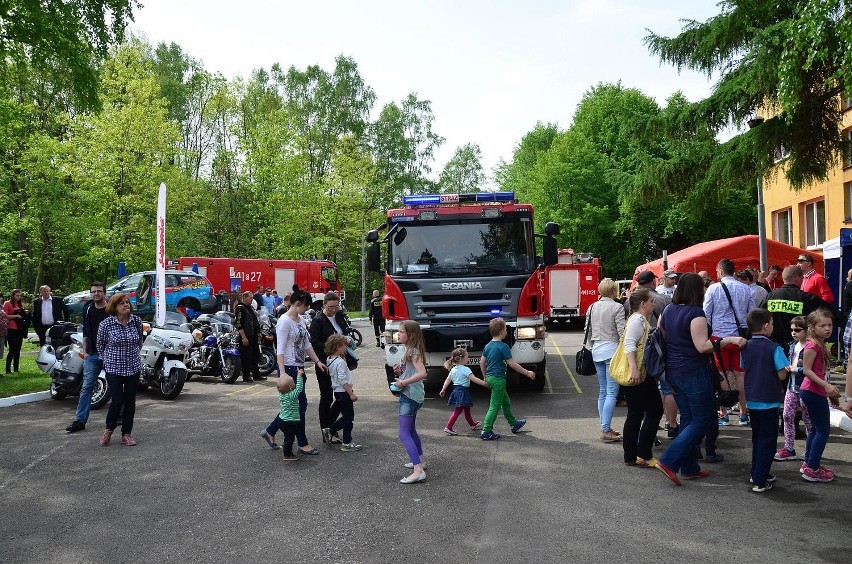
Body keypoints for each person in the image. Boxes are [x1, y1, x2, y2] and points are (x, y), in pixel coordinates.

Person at [655, 273, 746, 486]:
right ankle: (669, 460)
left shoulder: (668, 310)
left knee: (688, 418)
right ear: (697, 290)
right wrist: (729, 340)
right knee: (702, 419)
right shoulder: (696, 313)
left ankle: (689, 467)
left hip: (673, 370)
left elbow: (662, 335)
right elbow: (702, 346)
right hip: (693, 371)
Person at [261, 289, 326, 455]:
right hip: (289, 368)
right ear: (297, 304)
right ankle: (302, 442)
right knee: (299, 405)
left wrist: (317, 361)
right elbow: (280, 349)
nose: (306, 310)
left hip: (299, 367)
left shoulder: (301, 320)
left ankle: (270, 431)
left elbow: (306, 345)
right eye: (305, 306)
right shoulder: (284, 322)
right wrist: (282, 372)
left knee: (296, 406)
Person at [740, 308, 788, 492]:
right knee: (768, 440)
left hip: (752, 398)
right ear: (767, 325)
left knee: (757, 438)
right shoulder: (774, 347)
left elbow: (744, 367)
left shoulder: (746, 347)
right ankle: (760, 479)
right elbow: (782, 375)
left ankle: (758, 471)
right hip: (769, 398)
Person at [704, 258, 755, 426]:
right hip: (740, 338)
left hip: (719, 339)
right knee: (741, 375)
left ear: (719, 270)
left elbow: (706, 314)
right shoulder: (746, 289)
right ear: (733, 271)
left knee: (721, 374)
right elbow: (752, 314)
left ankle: (723, 413)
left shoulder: (713, 289)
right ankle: (743, 413)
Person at [621, 289, 664, 468]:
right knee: (654, 410)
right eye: (651, 301)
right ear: (643, 304)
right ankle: (643, 453)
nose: (654, 304)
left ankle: (631, 455)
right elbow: (629, 343)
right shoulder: (638, 320)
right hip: (638, 372)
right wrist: (634, 369)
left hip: (638, 371)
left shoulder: (639, 320)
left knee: (636, 413)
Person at [798, 309, 842, 482]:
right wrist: (826, 386)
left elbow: (820, 372)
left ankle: (810, 463)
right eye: (822, 325)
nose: (827, 328)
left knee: (816, 429)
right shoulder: (813, 346)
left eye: (829, 325)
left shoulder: (820, 344)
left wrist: (828, 390)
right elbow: (807, 371)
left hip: (815, 391)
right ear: (812, 327)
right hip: (811, 391)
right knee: (823, 430)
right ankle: (812, 468)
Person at [97, 294, 144, 446]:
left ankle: (126, 434)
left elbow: (139, 342)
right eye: (122, 303)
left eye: (127, 303)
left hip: (133, 367)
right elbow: (100, 345)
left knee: (130, 401)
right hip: (114, 367)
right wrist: (107, 360)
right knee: (117, 400)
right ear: (114, 306)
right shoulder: (106, 324)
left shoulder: (136, 321)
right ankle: (109, 430)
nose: (126, 305)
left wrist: (132, 355)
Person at [478, 317, 536, 440]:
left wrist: (485, 377)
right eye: (505, 329)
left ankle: (514, 424)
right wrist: (527, 372)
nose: (506, 331)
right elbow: (512, 364)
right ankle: (486, 430)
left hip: (491, 378)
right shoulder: (503, 347)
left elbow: (481, 363)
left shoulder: (488, 346)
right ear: (501, 332)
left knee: (506, 402)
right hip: (499, 380)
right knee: (494, 406)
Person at [584, 278, 626, 442]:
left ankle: (604, 425)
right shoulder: (617, 307)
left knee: (603, 391)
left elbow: (588, 330)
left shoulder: (592, 307)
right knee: (611, 393)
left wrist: (591, 346)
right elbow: (622, 332)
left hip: (596, 351)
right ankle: (605, 428)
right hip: (612, 351)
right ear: (613, 291)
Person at [65, 282, 109, 433]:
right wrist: (86, 352)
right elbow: (85, 332)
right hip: (92, 354)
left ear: (104, 293)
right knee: (86, 387)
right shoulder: (88, 308)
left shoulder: (111, 308)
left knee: (117, 386)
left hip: (110, 355)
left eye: (99, 291)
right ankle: (80, 420)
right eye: (93, 291)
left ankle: (120, 416)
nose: (96, 294)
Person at [309, 292, 353, 441]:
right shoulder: (318, 320)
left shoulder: (339, 316)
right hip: (325, 363)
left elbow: (345, 331)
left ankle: (330, 425)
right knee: (326, 397)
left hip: (341, 361)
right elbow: (314, 342)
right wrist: (332, 347)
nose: (334, 310)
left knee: (342, 395)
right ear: (324, 305)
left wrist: (347, 339)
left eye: (336, 306)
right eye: (331, 307)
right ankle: (326, 430)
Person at [759, 265, 834, 349]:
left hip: (776, 345)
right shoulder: (806, 297)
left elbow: (758, 316)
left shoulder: (770, 296)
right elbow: (830, 312)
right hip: (799, 346)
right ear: (797, 278)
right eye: (802, 277)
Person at [393, 320, 429, 484]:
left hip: (410, 396)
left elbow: (422, 373)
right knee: (411, 431)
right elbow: (412, 371)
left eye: (401, 332)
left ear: (411, 335)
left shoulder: (413, 351)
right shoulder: (409, 350)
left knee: (403, 433)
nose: (398, 334)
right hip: (413, 395)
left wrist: (403, 383)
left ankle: (418, 471)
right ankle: (420, 462)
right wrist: (399, 371)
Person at [774, 316, 812, 461]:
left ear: (807, 330)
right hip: (792, 387)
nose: (794, 333)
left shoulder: (810, 347)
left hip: (806, 388)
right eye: (792, 330)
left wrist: (796, 369)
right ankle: (789, 448)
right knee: (787, 416)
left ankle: (810, 450)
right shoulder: (792, 345)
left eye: (797, 330)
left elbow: (812, 369)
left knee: (808, 420)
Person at [324, 334, 362, 451]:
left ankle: (330, 430)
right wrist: (351, 393)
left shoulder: (330, 359)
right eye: (344, 346)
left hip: (338, 392)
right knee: (348, 418)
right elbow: (343, 379)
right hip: (344, 392)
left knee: (346, 416)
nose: (346, 348)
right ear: (338, 347)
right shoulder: (340, 362)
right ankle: (346, 442)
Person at [439, 347, 488, 435]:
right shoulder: (466, 369)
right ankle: (448, 427)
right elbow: (474, 379)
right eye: (467, 357)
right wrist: (484, 383)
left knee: (467, 409)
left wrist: (443, 389)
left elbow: (448, 380)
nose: (468, 359)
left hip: (456, 390)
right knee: (458, 410)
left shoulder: (453, 369)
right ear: (461, 358)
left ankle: (472, 424)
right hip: (463, 391)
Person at [234, 291, 263, 383]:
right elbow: (239, 324)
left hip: (253, 336)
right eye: (250, 298)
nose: (252, 300)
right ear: (245, 298)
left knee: (255, 355)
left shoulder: (249, 307)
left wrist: (258, 332)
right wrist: (243, 337)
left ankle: (256, 374)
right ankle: (246, 377)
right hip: (246, 336)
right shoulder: (240, 308)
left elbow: (254, 320)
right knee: (247, 357)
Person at [276, 369, 305, 461]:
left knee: (288, 436)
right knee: (290, 437)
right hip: (289, 421)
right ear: (291, 388)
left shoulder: (282, 395)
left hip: (282, 420)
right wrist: (299, 376)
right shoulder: (291, 396)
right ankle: (287, 454)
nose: (295, 383)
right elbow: (299, 388)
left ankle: (286, 444)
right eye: (293, 382)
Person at [4, 289, 29, 374]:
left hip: (19, 328)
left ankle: (16, 369)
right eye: (17, 295)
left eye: (19, 295)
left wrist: (24, 312)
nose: (18, 297)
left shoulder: (19, 304)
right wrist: (16, 315)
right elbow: (5, 315)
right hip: (11, 328)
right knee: (12, 349)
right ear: (13, 295)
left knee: (18, 349)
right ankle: (8, 369)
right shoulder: (7, 303)